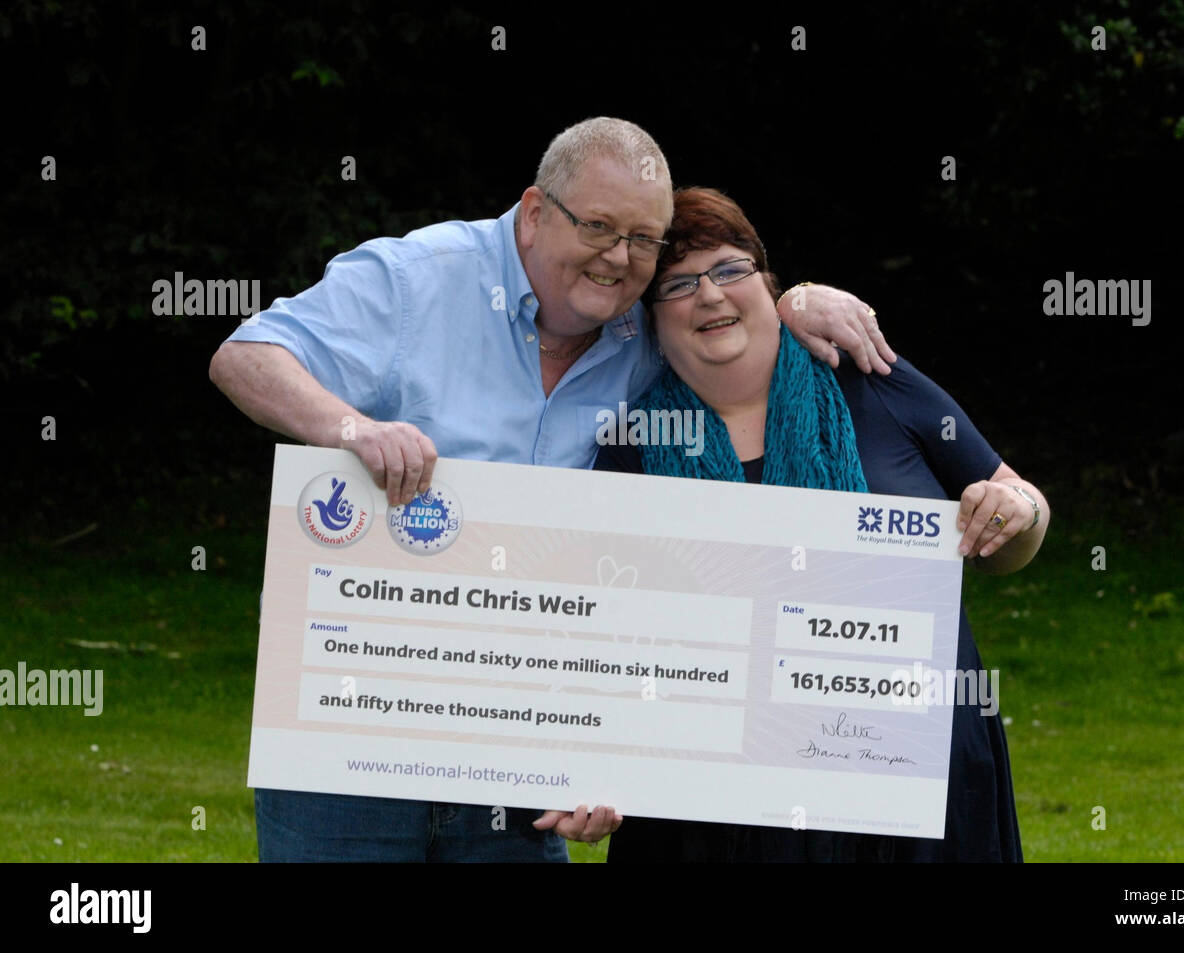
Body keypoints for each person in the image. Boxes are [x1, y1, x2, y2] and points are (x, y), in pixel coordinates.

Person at [208, 118, 898, 862]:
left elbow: (723, 312)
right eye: (599, 227)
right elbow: (246, 355)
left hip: (518, 736)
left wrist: (793, 300)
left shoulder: (639, 331)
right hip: (350, 717)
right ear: (536, 213)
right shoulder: (416, 279)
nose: (620, 258)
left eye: (643, 240)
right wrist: (350, 429)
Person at [592, 187, 1050, 862]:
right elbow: (603, 632)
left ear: (768, 281)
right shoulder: (632, 443)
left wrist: (1017, 512)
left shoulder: (871, 377)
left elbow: (1017, 510)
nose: (710, 296)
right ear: (652, 318)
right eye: (679, 284)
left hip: (916, 772)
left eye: (728, 269)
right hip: (718, 805)